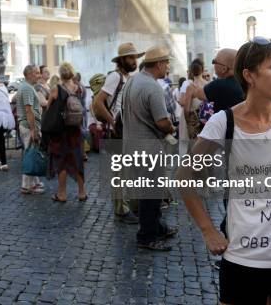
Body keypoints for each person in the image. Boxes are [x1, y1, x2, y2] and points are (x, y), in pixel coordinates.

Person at [182, 37, 271, 304]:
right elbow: (184, 177)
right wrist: (208, 230)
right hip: (244, 255)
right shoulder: (223, 123)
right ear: (249, 75)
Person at [122, 46, 177, 251]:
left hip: (132, 145)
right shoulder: (153, 87)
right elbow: (162, 122)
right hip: (149, 148)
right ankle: (146, 237)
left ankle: (159, 227)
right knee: (151, 195)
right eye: (167, 63)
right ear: (160, 64)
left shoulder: (132, 81)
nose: (168, 67)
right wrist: (172, 127)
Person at [92, 42, 144, 224]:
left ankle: (127, 206)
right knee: (119, 172)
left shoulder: (127, 78)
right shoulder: (115, 77)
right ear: (122, 60)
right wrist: (113, 122)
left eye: (135, 57)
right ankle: (121, 211)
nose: (134, 61)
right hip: (118, 131)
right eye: (130, 58)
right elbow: (98, 102)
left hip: (126, 130)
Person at [47, 63, 86, 202]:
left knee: (61, 161)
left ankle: (62, 194)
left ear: (60, 74)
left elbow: (48, 106)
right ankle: (82, 192)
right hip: (76, 129)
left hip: (61, 131)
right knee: (78, 159)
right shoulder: (80, 89)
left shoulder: (56, 89)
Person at [16, 64, 44, 194]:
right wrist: (34, 130)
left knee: (32, 152)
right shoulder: (27, 88)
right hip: (29, 127)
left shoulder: (25, 87)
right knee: (30, 154)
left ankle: (34, 182)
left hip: (28, 125)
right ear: (29, 74)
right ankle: (26, 185)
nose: (39, 75)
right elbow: (29, 110)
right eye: (37, 73)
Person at [194, 49, 244, 114]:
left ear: (224, 69)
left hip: (225, 123)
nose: (213, 65)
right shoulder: (245, 82)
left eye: (214, 62)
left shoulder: (219, 85)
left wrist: (198, 78)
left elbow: (199, 94)